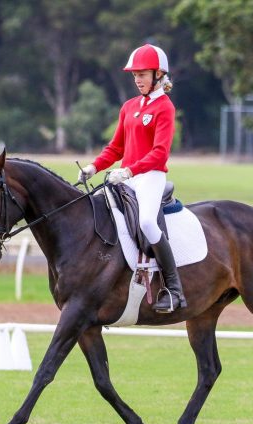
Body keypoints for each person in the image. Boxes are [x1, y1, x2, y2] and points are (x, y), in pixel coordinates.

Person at [78, 43, 186, 313]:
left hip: (150, 176)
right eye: (135, 75)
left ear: (158, 75)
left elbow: (160, 153)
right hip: (125, 176)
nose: (137, 79)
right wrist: (94, 167)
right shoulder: (129, 107)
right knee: (94, 209)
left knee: (148, 223)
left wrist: (128, 171)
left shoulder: (165, 108)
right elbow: (115, 148)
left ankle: (174, 289)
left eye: (142, 74)